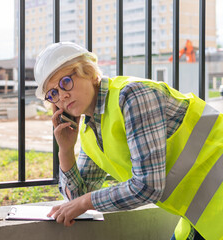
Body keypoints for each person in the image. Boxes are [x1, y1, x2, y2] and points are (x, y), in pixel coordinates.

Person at [33, 42, 223, 240]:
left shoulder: (132, 96)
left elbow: (148, 187)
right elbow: (76, 200)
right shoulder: (92, 131)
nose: (62, 95)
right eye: (52, 93)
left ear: (88, 71)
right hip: (201, 215)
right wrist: (65, 151)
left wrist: (83, 203)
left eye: (65, 82)